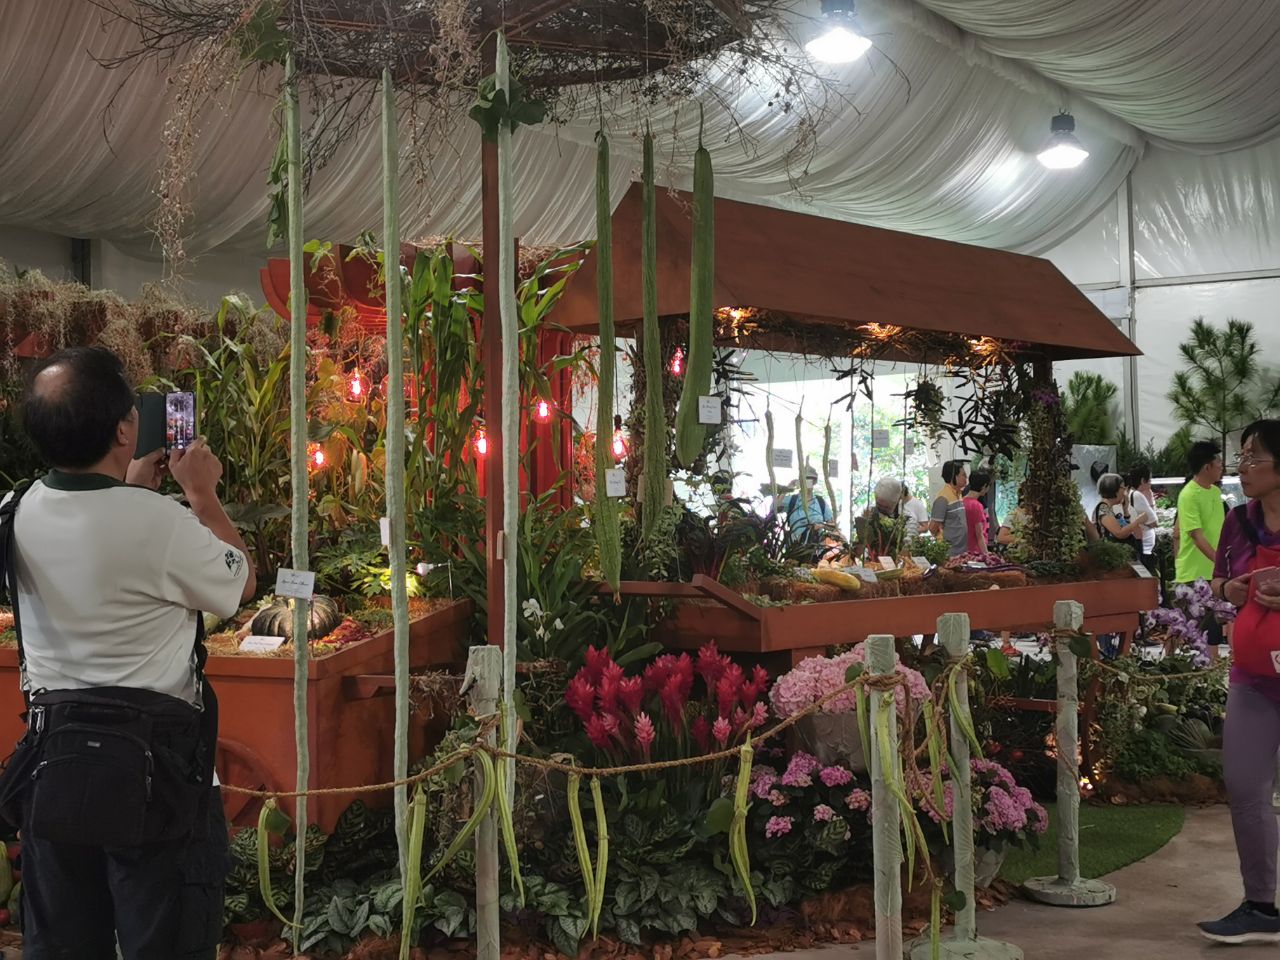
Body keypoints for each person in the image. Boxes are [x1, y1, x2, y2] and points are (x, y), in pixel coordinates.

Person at [0, 347, 255, 959]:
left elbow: (91, 530)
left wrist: (129, 485)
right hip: (156, 772)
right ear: (123, 429)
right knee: (162, 939)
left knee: (63, 942)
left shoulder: (14, 514)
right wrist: (201, 493)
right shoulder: (160, 522)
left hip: (54, 766)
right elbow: (239, 582)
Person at [1200, 420, 1280, 944]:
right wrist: (1230, 587)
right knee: (1245, 787)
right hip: (1253, 677)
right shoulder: (1238, 521)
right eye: (1241, 456)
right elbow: (1217, 588)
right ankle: (1261, 906)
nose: (1242, 466)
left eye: (1253, 456)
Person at [1176, 441, 1226, 585]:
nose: (1221, 467)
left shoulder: (1215, 491)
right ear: (1207, 467)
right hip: (1194, 575)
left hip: (1214, 572)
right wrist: (1221, 564)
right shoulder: (1189, 495)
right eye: (1219, 463)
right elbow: (1197, 536)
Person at [859, 477, 915, 559]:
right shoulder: (868, 512)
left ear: (898, 500)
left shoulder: (908, 518)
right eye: (879, 505)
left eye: (886, 507)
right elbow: (862, 543)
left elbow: (908, 548)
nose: (882, 509)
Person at [777, 465, 833, 545]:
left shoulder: (820, 502)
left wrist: (821, 526)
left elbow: (832, 525)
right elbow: (774, 507)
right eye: (805, 479)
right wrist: (787, 488)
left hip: (816, 548)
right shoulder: (792, 500)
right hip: (794, 548)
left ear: (815, 482)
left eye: (811, 479)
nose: (808, 481)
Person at [1093, 473, 1144, 554]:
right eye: (1123, 487)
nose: (1124, 491)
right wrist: (1138, 521)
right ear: (1114, 489)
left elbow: (1126, 532)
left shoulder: (1108, 508)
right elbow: (1119, 533)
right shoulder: (1103, 508)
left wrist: (1125, 509)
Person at [929, 460, 969, 557]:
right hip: (949, 553)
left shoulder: (958, 494)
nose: (966, 478)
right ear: (953, 477)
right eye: (963, 475)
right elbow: (932, 528)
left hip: (962, 551)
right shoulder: (943, 498)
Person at [1124, 462, 1160, 569]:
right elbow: (1154, 522)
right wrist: (1150, 501)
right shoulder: (1138, 496)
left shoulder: (1130, 493)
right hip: (1144, 548)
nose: (1150, 484)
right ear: (1142, 481)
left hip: (1141, 545)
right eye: (1149, 480)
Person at [962, 470, 992, 555]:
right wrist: (986, 554)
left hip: (964, 550)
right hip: (975, 551)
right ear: (984, 486)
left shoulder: (961, 501)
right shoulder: (976, 506)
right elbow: (979, 535)